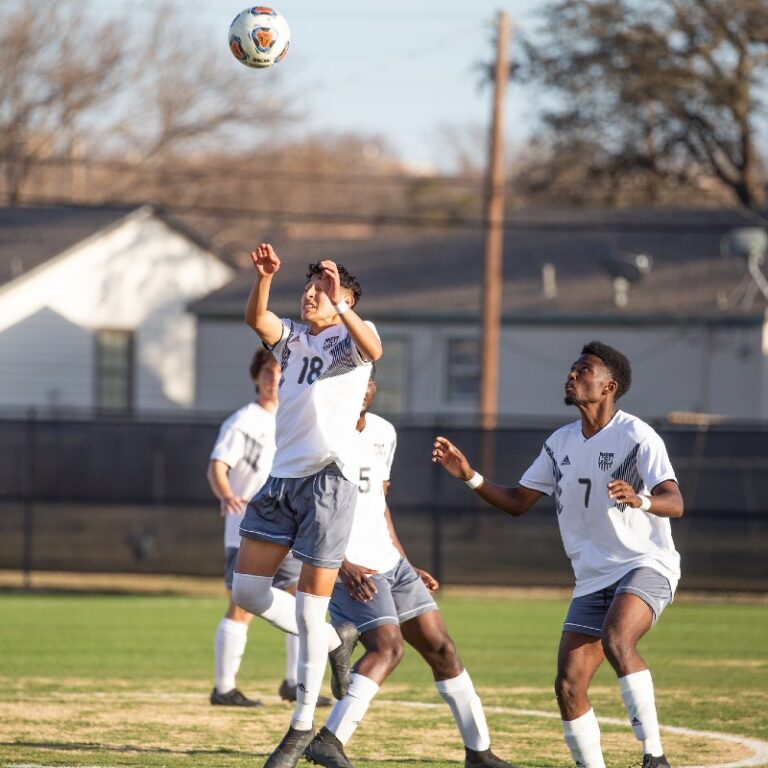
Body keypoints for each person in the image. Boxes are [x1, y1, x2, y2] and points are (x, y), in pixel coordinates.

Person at [432, 341, 683, 768]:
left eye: (584, 370)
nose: (572, 374)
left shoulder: (635, 435)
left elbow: (673, 501)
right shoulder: (560, 442)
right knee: (568, 686)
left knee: (618, 638)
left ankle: (654, 758)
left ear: (609, 386)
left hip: (644, 563)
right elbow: (516, 502)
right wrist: (469, 476)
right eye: (572, 368)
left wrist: (640, 500)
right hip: (592, 577)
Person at [304, 371, 517, 768]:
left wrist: (405, 561)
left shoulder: (384, 432)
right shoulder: (320, 437)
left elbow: (378, 507)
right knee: (389, 648)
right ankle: (328, 740)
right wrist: (342, 565)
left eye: (369, 381)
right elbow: (304, 515)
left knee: (442, 649)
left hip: (390, 562)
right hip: (350, 568)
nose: (364, 388)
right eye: (355, 381)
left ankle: (479, 753)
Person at [231, 243, 383, 768]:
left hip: (328, 482)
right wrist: (265, 278)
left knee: (307, 606)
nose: (313, 295)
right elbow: (257, 318)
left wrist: (341, 304)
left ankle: (299, 729)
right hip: (280, 481)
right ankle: (334, 639)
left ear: (344, 298)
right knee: (247, 591)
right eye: (310, 288)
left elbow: (375, 350)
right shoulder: (292, 338)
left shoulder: (352, 337)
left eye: (324, 289)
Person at [206, 349, 330, 708]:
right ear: (256, 376)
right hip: (249, 528)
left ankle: (293, 683)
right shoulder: (244, 421)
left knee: (299, 603)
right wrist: (227, 493)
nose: (274, 378)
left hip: (288, 527)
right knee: (241, 605)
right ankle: (224, 687)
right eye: (267, 371)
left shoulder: (293, 418)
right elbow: (217, 465)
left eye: (280, 371)